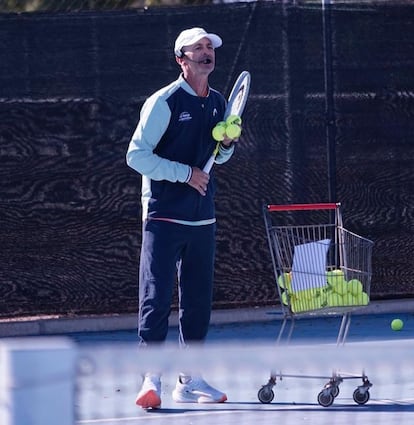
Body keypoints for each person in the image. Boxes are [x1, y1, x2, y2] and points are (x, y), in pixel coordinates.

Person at [126, 27, 237, 409]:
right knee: (156, 298)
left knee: (198, 302)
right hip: (162, 215)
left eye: (210, 47)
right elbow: (136, 156)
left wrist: (226, 146)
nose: (207, 53)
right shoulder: (165, 101)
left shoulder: (220, 102)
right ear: (181, 60)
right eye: (198, 48)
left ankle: (190, 380)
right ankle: (150, 379)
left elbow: (216, 159)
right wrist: (185, 174)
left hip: (202, 218)